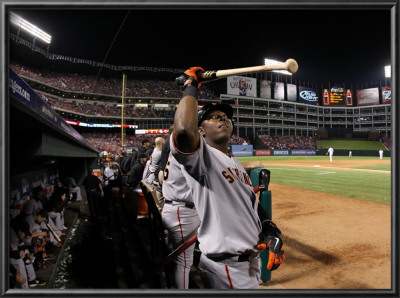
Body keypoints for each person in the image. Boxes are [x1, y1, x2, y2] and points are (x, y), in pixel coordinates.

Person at [169, 67, 285, 289]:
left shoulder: (234, 163)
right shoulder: (202, 158)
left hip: (248, 265)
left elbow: (251, 203)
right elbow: (183, 130)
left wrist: (271, 229)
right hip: (227, 270)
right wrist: (191, 85)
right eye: (213, 118)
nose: (222, 118)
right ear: (200, 131)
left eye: (225, 117)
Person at [161, 152, 201, 289]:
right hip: (181, 211)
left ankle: (172, 284)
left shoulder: (175, 152)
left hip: (173, 207)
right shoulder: (185, 153)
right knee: (184, 262)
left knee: (176, 255)